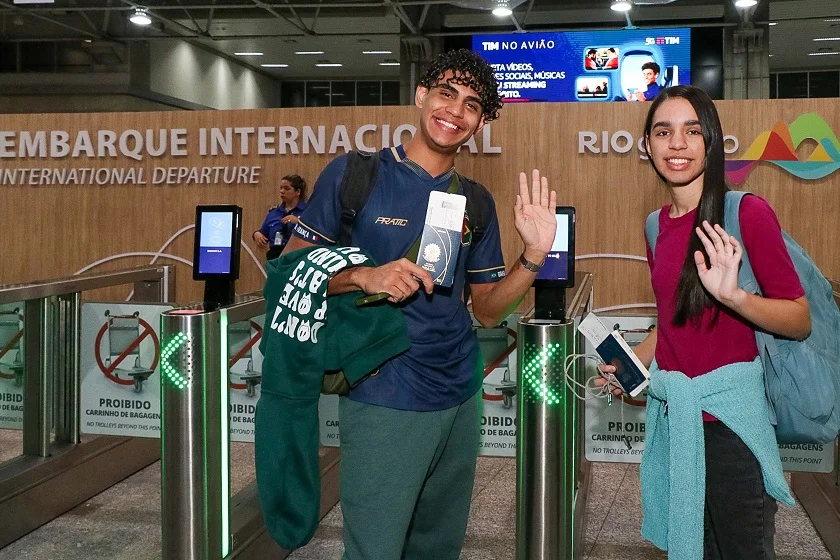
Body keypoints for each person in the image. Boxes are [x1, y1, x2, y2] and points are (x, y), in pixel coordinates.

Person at [282, 48, 557, 560]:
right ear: (420, 96)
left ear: (479, 124)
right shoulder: (355, 175)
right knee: (376, 547)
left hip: (459, 390)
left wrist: (533, 257)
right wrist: (364, 276)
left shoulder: (474, 200)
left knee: (438, 545)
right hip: (382, 387)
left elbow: (489, 311)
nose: (455, 110)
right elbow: (289, 271)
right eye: (446, 93)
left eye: (472, 104)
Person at [599, 85, 810, 558]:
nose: (677, 144)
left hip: (733, 425)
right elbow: (672, 321)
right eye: (663, 132)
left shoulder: (746, 213)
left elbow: (799, 319)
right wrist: (633, 363)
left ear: (711, 141)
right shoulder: (656, 224)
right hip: (678, 418)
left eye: (692, 131)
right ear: (647, 145)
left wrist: (735, 297)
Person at [253, 174, 308, 260]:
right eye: (281, 188)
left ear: (298, 192)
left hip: (298, 256)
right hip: (276, 257)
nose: (282, 191)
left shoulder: (307, 211)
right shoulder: (274, 212)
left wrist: (298, 221)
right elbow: (263, 232)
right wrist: (256, 234)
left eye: (287, 188)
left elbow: (317, 233)